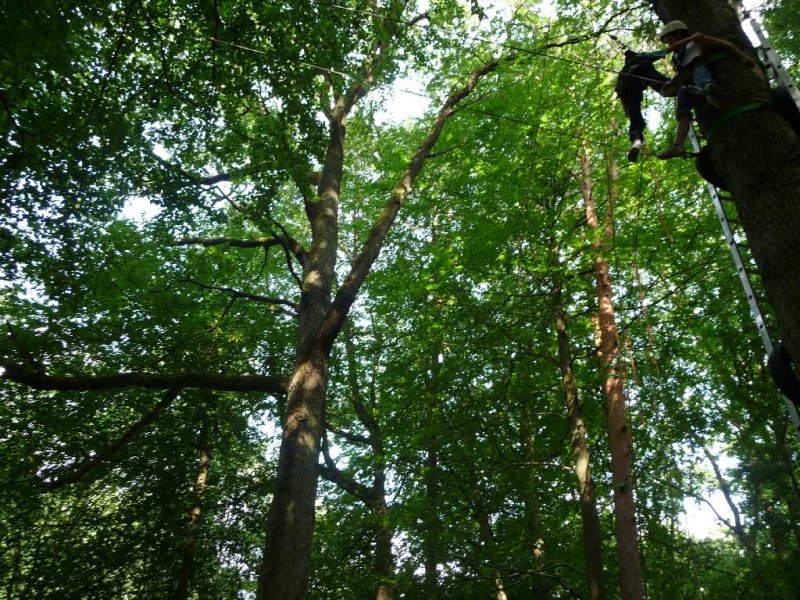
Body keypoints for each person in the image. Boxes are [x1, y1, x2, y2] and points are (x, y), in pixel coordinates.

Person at [657, 20, 758, 159]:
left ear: (679, 34)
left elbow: (724, 44)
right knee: (682, 110)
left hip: (699, 68)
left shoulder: (695, 41)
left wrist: (743, 57)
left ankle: (714, 96)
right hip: (686, 80)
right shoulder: (676, 57)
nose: (669, 44)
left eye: (670, 39)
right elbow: (679, 74)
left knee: (703, 82)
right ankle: (678, 144)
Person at [615, 48, 670, 162]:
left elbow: (620, 92)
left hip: (628, 92)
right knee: (650, 73)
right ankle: (666, 84)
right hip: (641, 77)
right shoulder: (640, 57)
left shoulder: (622, 73)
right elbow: (662, 52)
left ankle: (636, 141)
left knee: (635, 120)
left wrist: (626, 110)